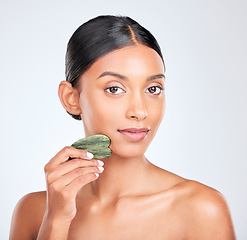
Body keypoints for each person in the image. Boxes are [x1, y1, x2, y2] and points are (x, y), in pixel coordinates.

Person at [9, 15, 235, 240]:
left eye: (153, 89)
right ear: (71, 98)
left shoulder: (202, 210)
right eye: (115, 89)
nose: (140, 111)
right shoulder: (34, 211)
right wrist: (56, 220)